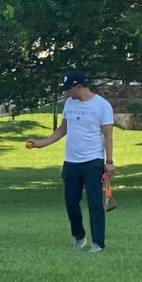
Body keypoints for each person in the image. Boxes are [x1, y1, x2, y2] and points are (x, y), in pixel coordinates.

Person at [25, 70, 114, 253]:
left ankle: (98, 243)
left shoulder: (102, 105)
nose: (67, 93)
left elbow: (108, 135)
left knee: (94, 203)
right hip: (71, 161)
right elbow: (62, 129)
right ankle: (79, 236)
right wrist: (40, 144)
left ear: (79, 86)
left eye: (69, 89)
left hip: (93, 161)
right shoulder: (69, 103)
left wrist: (109, 161)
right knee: (71, 202)